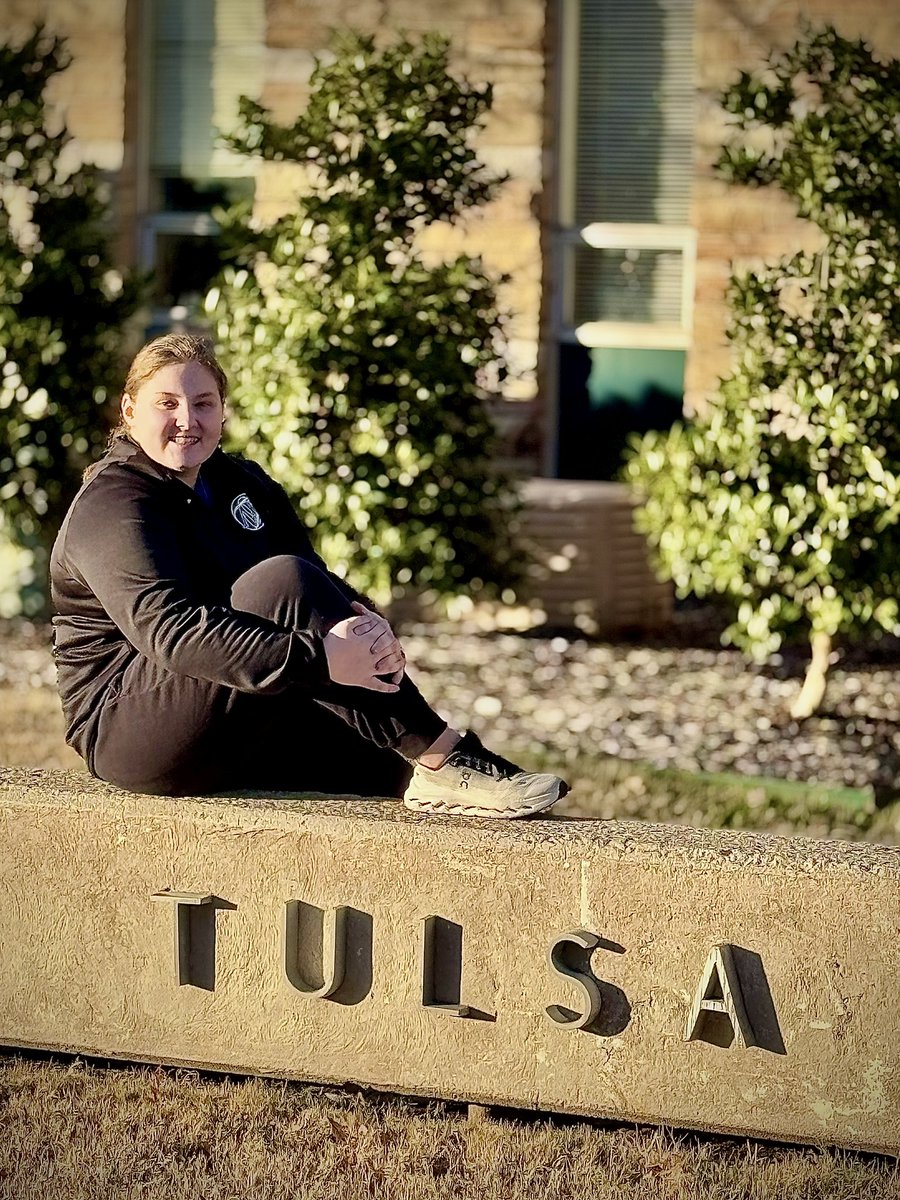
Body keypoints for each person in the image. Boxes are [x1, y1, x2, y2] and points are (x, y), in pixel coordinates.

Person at [50, 333, 568, 818]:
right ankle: (444, 756)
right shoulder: (115, 504)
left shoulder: (240, 482)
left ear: (223, 412)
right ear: (129, 411)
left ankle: (432, 773)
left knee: (378, 767)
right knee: (281, 582)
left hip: (231, 695)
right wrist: (322, 658)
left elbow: (322, 585)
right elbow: (173, 632)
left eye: (203, 403)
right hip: (128, 728)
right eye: (167, 402)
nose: (187, 418)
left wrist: (371, 630)